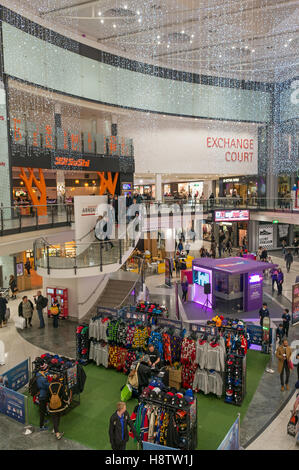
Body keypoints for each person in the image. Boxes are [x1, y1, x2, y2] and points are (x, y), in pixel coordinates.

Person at [48, 374, 72, 440]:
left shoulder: (49, 386)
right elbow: (65, 395)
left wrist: (50, 402)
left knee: (54, 418)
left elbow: (48, 396)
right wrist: (67, 401)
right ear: (58, 379)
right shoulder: (61, 386)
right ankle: (57, 433)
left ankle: (55, 429)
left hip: (52, 405)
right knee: (57, 417)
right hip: (59, 405)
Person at [36, 362, 50, 431]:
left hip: (42, 395)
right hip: (42, 396)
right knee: (42, 411)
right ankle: (41, 426)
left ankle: (43, 421)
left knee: (43, 409)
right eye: (47, 369)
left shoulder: (39, 373)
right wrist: (52, 383)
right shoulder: (42, 379)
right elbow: (47, 385)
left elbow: (45, 375)